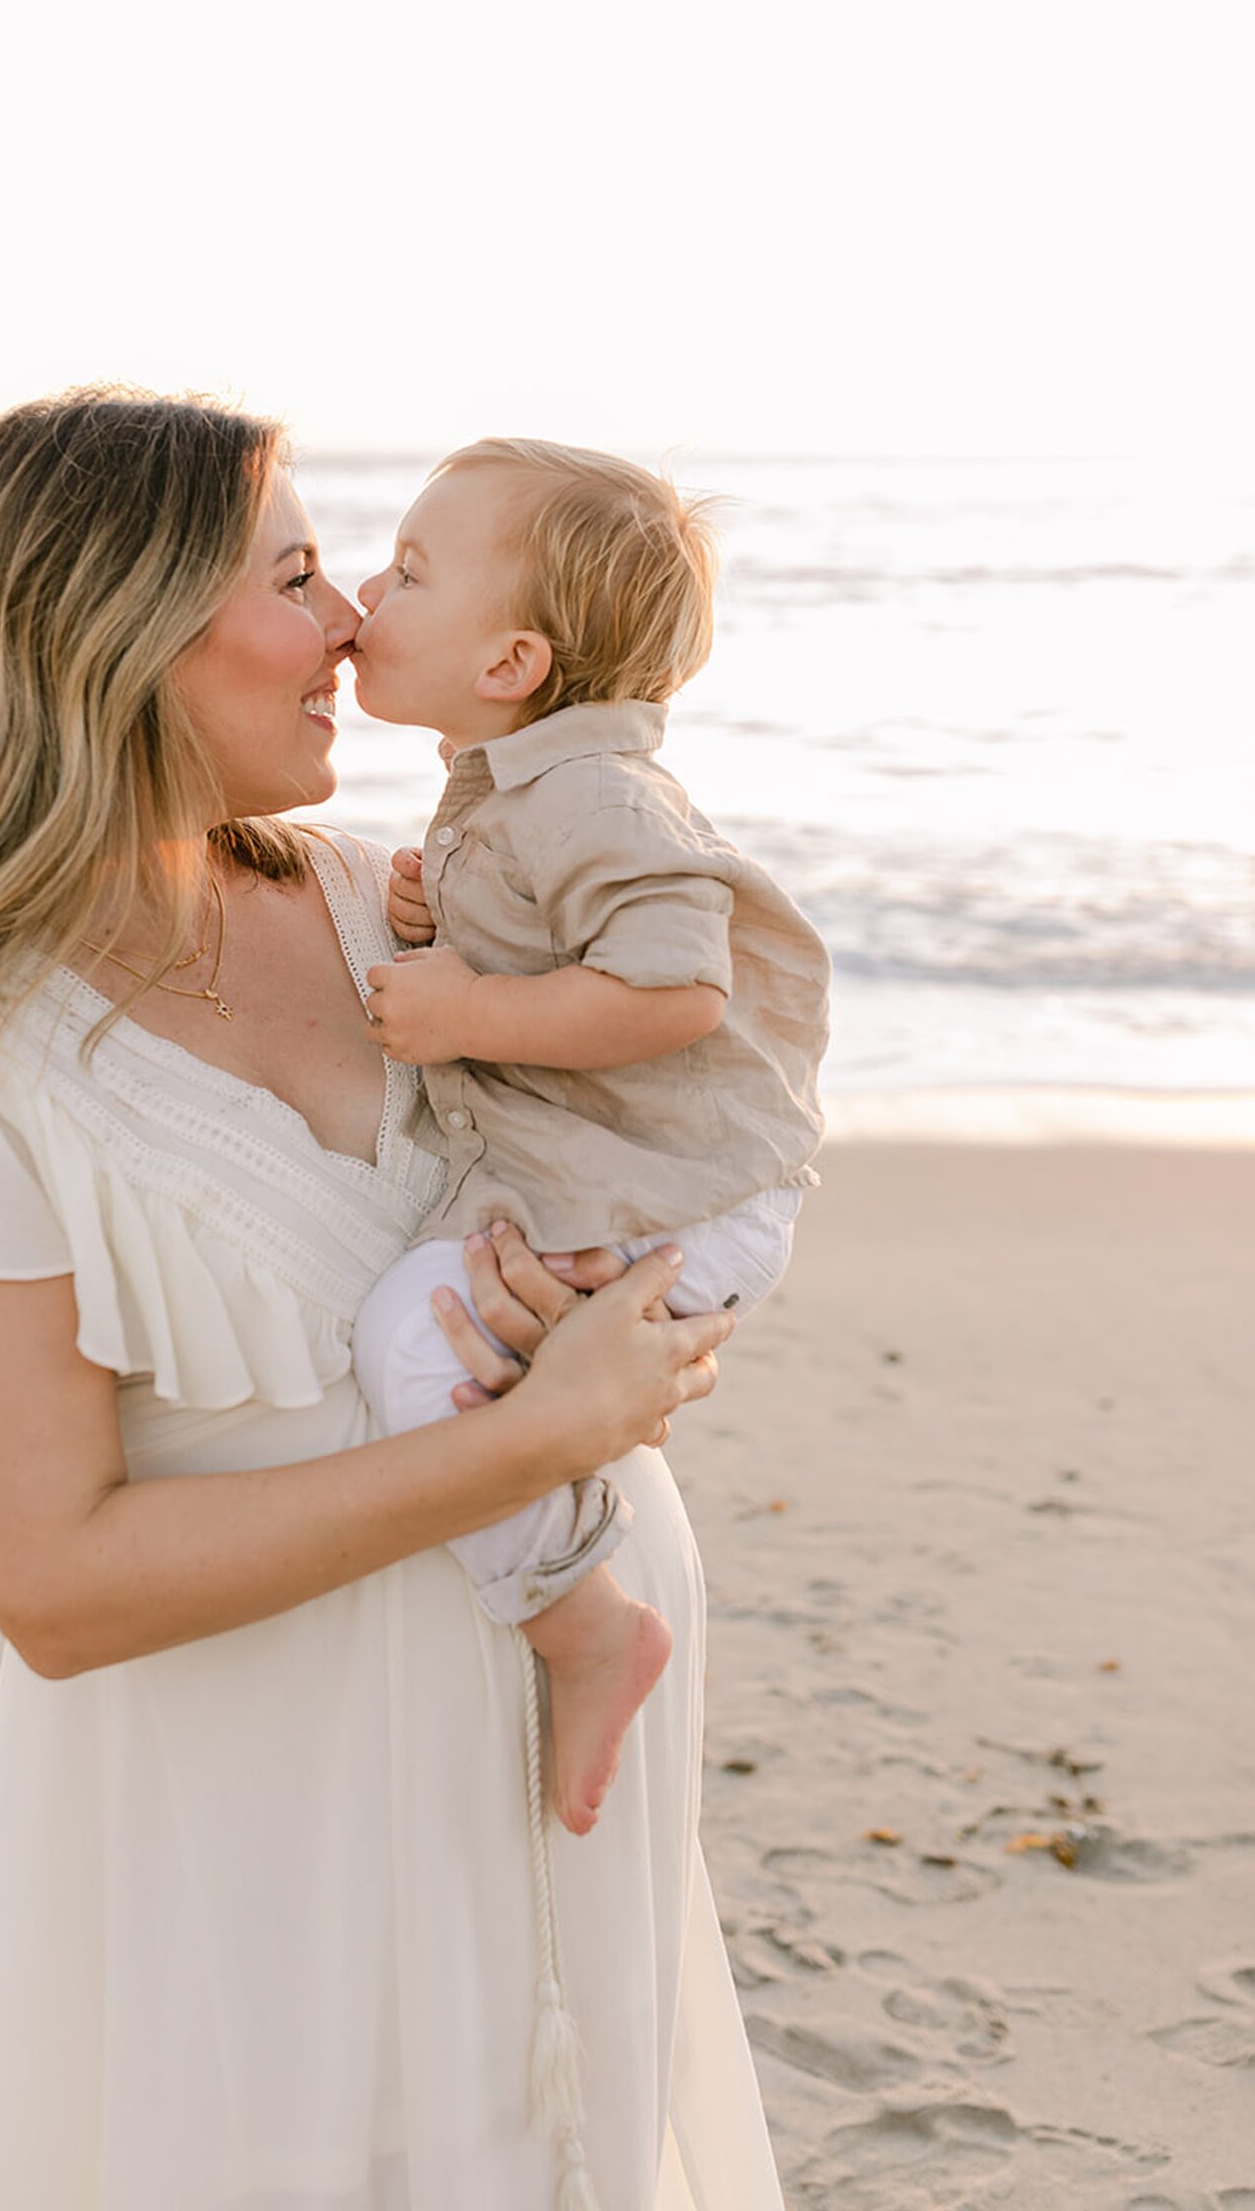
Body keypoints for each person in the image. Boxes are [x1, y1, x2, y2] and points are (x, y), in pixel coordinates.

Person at [0, 388, 784, 2211]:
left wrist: (616, 1319)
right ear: (119, 632)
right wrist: (538, 1440)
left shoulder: (398, 909)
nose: (356, 627)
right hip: (261, 1834)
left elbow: (683, 1123)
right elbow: (52, 1587)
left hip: (558, 1794)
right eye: (302, 576)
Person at [351, 437, 830, 1850]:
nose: (367, 591)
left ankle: (581, 1626)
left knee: (411, 1336)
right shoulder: (514, 789)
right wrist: (453, 923)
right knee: (448, 1334)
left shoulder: (593, 796)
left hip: (687, 1191)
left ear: (508, 663)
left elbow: (677, 989)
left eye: (409, 571)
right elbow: (577, 936)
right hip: (663, 1181)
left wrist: (472, 1004)